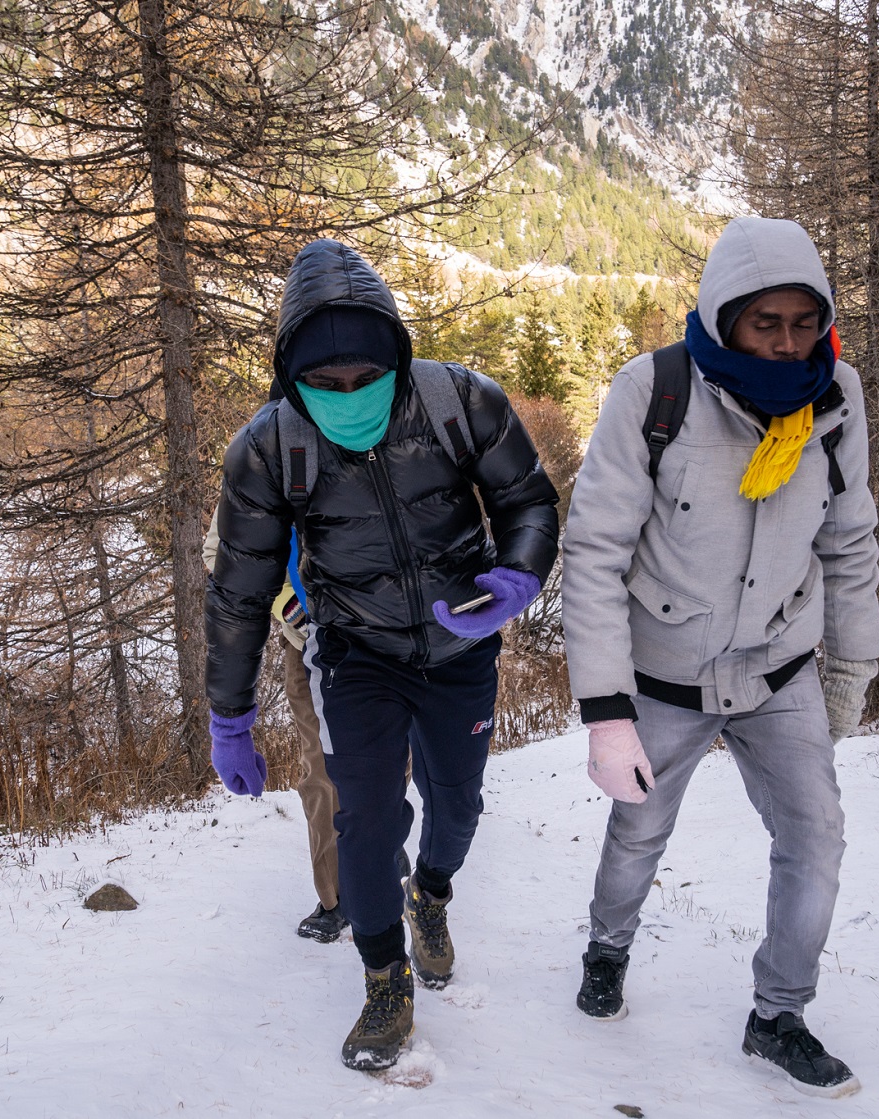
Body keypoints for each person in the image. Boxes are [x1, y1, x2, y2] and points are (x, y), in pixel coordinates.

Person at [204, 238, 559, 1072]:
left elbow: (528, 499)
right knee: (364, 812)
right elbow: (238, 591)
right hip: (353, 648)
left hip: (460, 638)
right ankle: (383, 977)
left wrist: (517, 577)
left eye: (365, 375)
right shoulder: (268, 448)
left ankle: (430, 895)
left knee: (458, 805)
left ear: (394, 353)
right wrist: (230, 716)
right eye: (323, 384)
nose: (348, 394)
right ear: (292, 378)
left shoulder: (460, 401)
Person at [561, 217, 879, 1099]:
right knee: (638, 832)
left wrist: (852, 665)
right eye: (765, 324)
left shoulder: (836, 397)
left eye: (803, 323)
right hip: (663, 673)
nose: (787, 343)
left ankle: (779, 1013)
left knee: (815, 837)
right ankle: (606, 948)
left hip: (780, 667)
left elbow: (851, 542)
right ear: (725, 316)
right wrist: (605, 708)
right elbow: (593, 550)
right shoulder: (655, 390)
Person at [201, 514, 346, 942]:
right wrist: (288, 605)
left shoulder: (375, 446)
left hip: (386, 641)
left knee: (390, 760)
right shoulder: (263, 453)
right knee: (320, 772)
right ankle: (337, 899)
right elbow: (220, 552)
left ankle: (379, 840)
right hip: (310, 646)